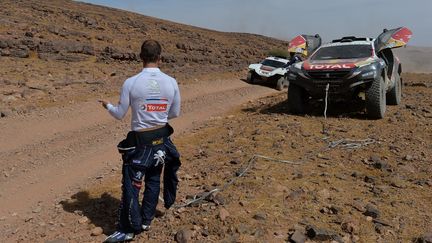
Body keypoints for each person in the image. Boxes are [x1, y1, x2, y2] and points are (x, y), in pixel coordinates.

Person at [99, 40, 182, 243]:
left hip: (140, 142)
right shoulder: (171, 82)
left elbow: (119, 114)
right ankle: (146, 219)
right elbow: (175, 112)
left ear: (140, 57)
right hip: (161, 138)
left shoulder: (131, 82)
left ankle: (129, 228)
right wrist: (158, 115)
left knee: (132, 184)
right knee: (154, 178)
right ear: (160, 57)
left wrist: (107, 106)